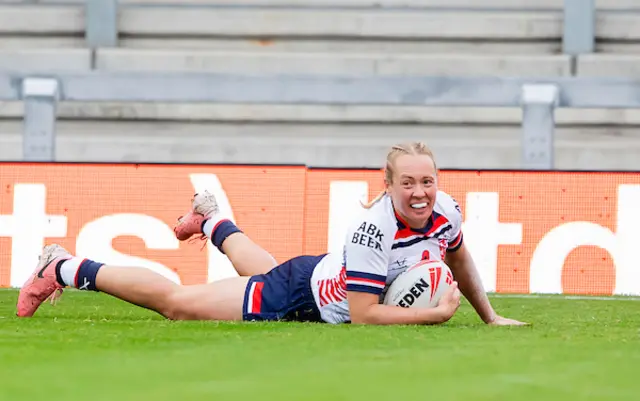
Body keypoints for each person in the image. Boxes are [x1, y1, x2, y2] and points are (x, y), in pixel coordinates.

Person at [16, 142, 526, 326]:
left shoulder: (447, 210)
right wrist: (432, 313)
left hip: (318, 275)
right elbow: (367, 317)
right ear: (387, 185)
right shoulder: (375, 229)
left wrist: (490, 315)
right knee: (177, 303)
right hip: (300, 294)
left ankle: (211, 219)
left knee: (264, 267)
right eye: (408, 182)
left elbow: (458, 259)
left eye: (428, 181)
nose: (420, 192)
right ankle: (60, 265)